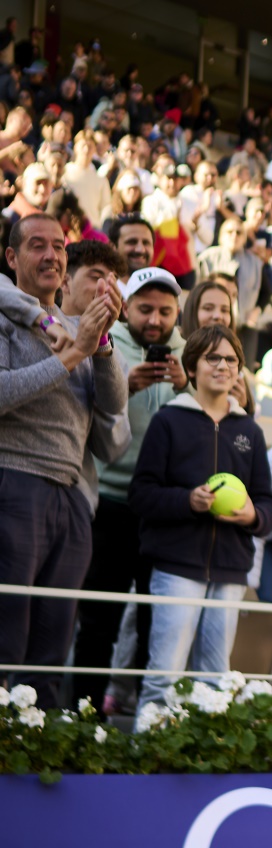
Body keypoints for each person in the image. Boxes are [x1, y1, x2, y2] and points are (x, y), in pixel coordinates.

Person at [0, 213, 126, 706]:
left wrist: (103, 342)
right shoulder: (8, 318)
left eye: (59, 246)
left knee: (53, 642)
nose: (51, 255)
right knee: (7, 636)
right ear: (12, 258)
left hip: (72, 498)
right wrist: (71, 355)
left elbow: (113, 404)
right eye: (37, 245)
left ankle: (45, 751)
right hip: (15, 481)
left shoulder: (81, 325)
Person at [129, 325, 272, 723]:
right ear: (192, 366)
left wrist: (252, 516)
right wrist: (187, 501)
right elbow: (141, 494)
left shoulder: (249, 430)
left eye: (231, 359)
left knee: (214, 681)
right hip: (176, 567)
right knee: (164, 677)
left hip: (230, 571)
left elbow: (267, 505)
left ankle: (204, 765)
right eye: (213, 358)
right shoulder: (168, 421)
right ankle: (150, 756)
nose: (223, 366)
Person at [73, 266, 188, 713]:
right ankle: (81, 720)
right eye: (145, 309)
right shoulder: (102, 343)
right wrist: (123, 385)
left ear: (178, 311)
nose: (155, 320)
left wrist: (187, 384)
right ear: (126, 309)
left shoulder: (191, 355)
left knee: (152, 623)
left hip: (164, 510)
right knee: (98, 620)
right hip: (108, 505)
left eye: (165, 310)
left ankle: (146, 722)